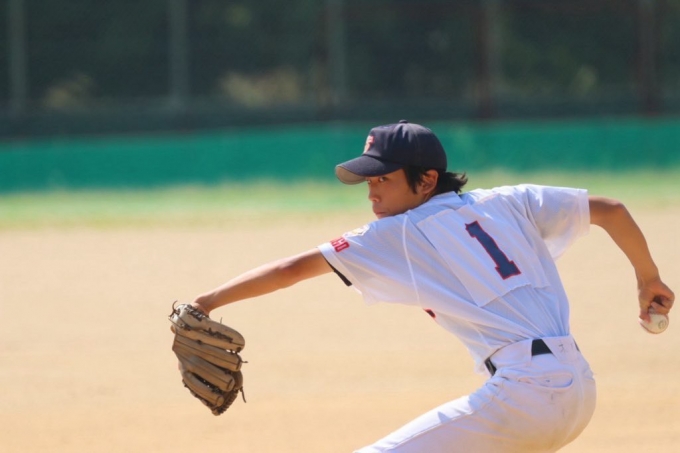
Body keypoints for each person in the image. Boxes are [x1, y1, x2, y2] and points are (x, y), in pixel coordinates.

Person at [188, 120, 674, 452]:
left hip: (526, 395)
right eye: (368, 181)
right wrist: (647, 278)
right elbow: (611, 210)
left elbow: (292, 269)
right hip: (578, 388)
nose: (372, 192)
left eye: (383, 179)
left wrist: (207, 302)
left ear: (426, 181)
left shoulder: (401, 232)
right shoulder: (508, 200)